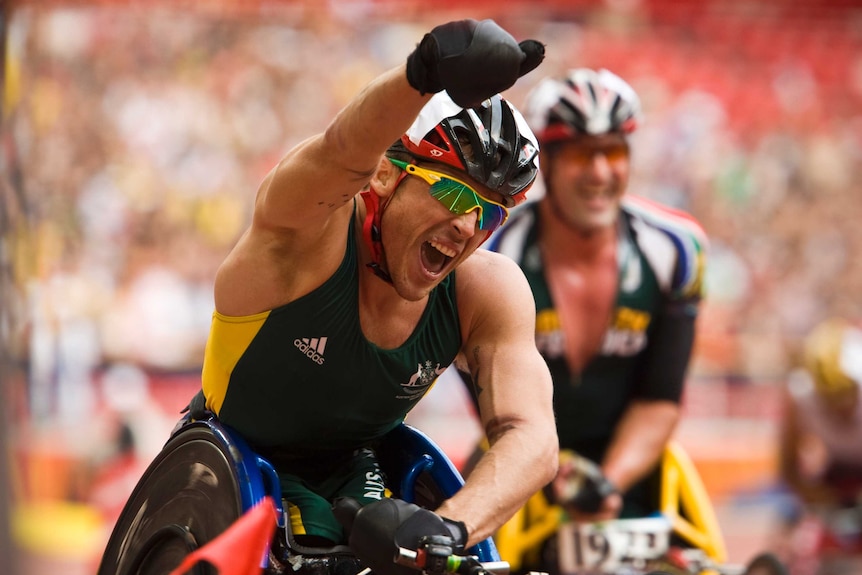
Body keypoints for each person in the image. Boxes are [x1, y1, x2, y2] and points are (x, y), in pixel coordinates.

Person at [196, 18, 558, 575]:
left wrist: (449, 527)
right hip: (227, 465)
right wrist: (420, 76)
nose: (467, 225)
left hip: (357, 474)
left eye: (489, 211)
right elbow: (341, 152)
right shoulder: (307, 232)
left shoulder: (488, 289)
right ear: (388, 174)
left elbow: (531, 437)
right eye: (453, 191)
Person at [463, 68, 708, 529]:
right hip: (513, 453)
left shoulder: (678, 248)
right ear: (546, 163)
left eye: (612, 152)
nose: (599, 172)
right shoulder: (490, 248)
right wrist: (551, 477)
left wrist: (606, 485)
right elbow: (486, 398)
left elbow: (661, 396)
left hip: (629, 470)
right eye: (580, 154)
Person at [777, 317, 862, 568]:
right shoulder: (800, 396)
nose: (840, 407)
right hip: (832, 483)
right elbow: (788, 470)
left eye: (846, 395)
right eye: (830, 398)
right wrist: (818, 500)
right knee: (791, 543)